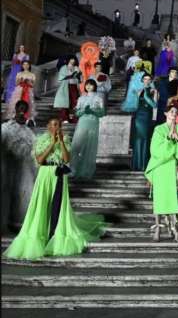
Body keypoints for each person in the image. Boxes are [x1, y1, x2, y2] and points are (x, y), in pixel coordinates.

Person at [3, 117, 105, 260]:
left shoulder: (65, 139)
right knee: (42, 205)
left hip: (58, 175)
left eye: (57, 125)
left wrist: (61, 142)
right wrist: (51, 144)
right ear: (48, 126)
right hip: (45, 176)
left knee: (57, 206)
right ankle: (41, 233)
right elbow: (39, 160)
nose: (55, 127)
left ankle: (54, 235)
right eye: (52, 124)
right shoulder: (41, 140)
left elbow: (66, 159)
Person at [145, 106, 178, 242]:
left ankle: (176, 230)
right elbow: (155, 150)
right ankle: (158, 229)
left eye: (176, 112)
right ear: (166, 113)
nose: (174, 114)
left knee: (177, 198)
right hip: (161, 168)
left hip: (176, 168)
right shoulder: (159, 129)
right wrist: (168, 138)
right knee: (160, 199)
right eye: (171, 111)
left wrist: (177, 140)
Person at [1, 102, 37, 233]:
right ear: (15, 110)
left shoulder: (29, 130)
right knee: (5, 193)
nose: (22, 112)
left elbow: (35, 147)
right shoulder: (6, 127)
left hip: (23, 168)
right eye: (20, 109)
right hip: (8, 166)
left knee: (23, 193)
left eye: (24, 109)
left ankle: (19, 222)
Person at [69, 79, 106, 179]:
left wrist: (93, 112)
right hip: (82, 123)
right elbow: (76, 113)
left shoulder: (99, 98)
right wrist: (84, 111)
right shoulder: (81, 98)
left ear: (95, 86)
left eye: (91, 85)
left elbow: (102, 113)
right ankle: (73, 169)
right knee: (76, 146)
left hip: (93, 123)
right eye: (87, 85)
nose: (89, 87)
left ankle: (85, 171)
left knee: (89, 148)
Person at [131, 73, 157, 171]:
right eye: (145, 79)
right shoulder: (138, 91)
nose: (146, 80)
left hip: (147, 116)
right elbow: (134, 105)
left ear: (151, 81)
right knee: (138, 138)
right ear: (142, 80)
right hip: (138, 116)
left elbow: (154, 105)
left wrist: (146, 95)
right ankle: (137, 164)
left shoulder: (153, 91)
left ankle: (144, 165)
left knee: (146, 138)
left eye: (148, 79)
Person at [54, 56, 81, 123]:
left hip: (74, 86)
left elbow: (79, 78)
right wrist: (69, 76)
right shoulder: (64, 68)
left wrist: (77, 76)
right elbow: (60, 77)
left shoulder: (76, 68)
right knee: (65, 102)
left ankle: (73, 118)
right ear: (68, 61)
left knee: (74, 102)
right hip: (65, 86)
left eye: (73, 61)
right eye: (71, 61)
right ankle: (64, 118)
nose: (72, 62)